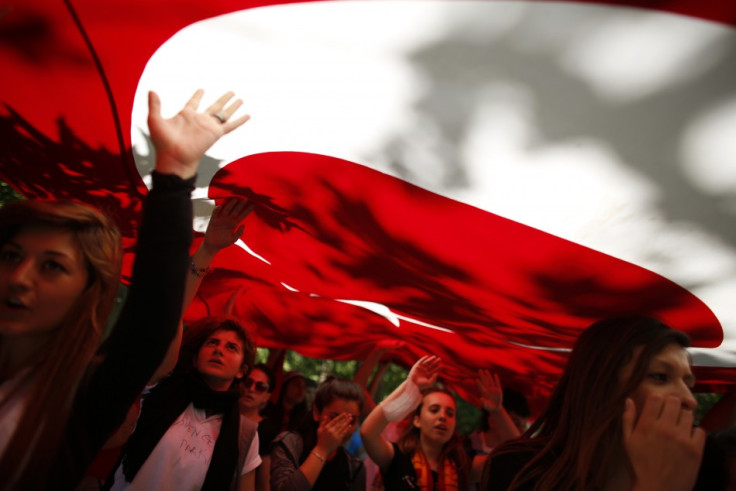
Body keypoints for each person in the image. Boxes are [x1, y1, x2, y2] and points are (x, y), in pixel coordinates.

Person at [0, 89, 248, 489]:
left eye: (52, 265)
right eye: (11, 255)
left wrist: (175, 177)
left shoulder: (82, 398)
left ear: (88, 294)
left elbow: (151, 323)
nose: (20, 276)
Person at [481, 315, 706, 491]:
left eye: (689, 383)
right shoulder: (519, 470)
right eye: (660, 376)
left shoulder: (688, 472)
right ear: (601, 386)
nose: (688, 400)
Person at [107, 316, 260, 490]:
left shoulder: (244, 433)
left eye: (231, 347)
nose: (218, 350)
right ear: (195, 359)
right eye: (212, 343)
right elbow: (173, 320)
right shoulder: (163, 388)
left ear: (242, 371)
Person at [361, 356, 517, 489]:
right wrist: (410, 386)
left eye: (450, 414)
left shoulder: (464, 465)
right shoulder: (396, 457)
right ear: (417, 420)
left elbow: (518, 455)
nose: (443, 417)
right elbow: (368, 433)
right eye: (434, 410)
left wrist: (497, 410)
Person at [270, 376, 366, 490]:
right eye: (335, 418)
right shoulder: (290, 444)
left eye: (351, 421)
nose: (343, 427)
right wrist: (322, 449)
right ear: (316, 412)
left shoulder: (353, 467)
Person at [241, 363, 276, 491]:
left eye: (260, 387)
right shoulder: (221, 415)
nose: (251, 389)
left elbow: (263, 482)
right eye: (248, 382)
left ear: (267, 396)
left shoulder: (266, 430)